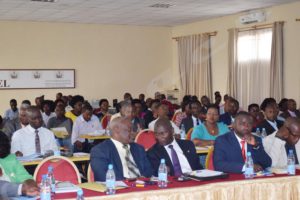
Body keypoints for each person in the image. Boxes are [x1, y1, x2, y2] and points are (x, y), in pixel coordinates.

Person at [90, 117, 152, 181]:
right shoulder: (100, 150)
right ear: (117, 130)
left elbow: (149, 172)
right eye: (129, 130)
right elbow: (103, 177)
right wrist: (129, 182)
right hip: (118, 188)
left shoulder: (138, 149)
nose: (133, 133)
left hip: (143, 187)